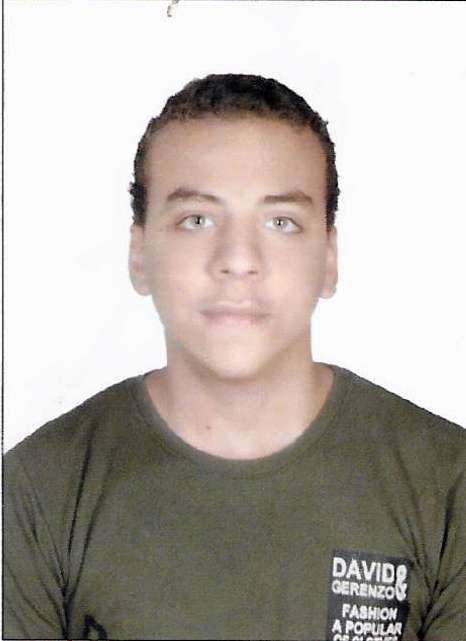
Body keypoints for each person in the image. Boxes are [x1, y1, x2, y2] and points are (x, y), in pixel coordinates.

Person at [4, 74, 465, 641]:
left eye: (280, 222)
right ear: (139, 253)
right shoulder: (33, 492)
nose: (239, 259)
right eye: (197, 219)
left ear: (328, 258)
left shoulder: (450, 486)